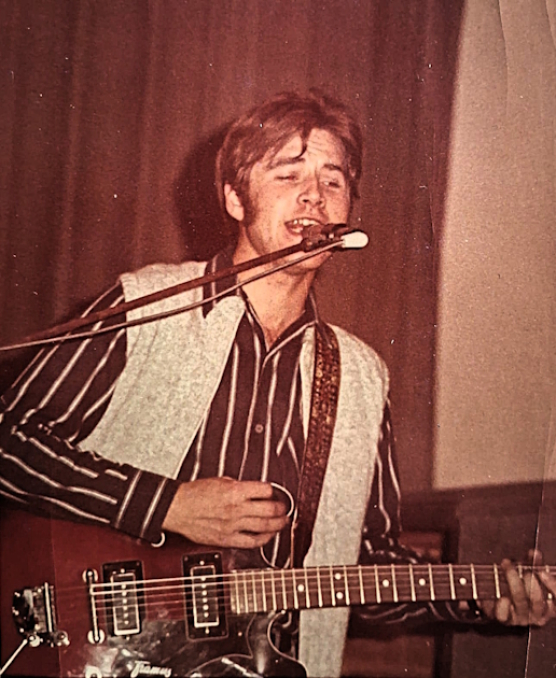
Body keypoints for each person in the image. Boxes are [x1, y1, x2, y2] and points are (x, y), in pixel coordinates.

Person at [0, 91, 554, 677]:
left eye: (333, 180)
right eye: (288, 174)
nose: (315, 194)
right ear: (235, 199)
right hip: (97, 652)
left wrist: (479, 597)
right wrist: (166, 505)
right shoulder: (145, 308)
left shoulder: (360, 376)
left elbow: (366, 564)